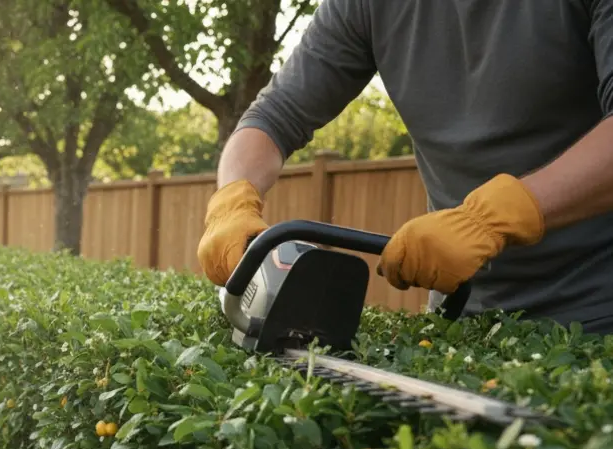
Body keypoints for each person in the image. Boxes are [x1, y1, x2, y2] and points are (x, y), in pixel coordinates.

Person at [198, 2, 613, 334]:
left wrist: (495, 218)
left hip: (597, 312)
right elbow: (274, 116)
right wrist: (231, 200)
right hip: (461, 317)